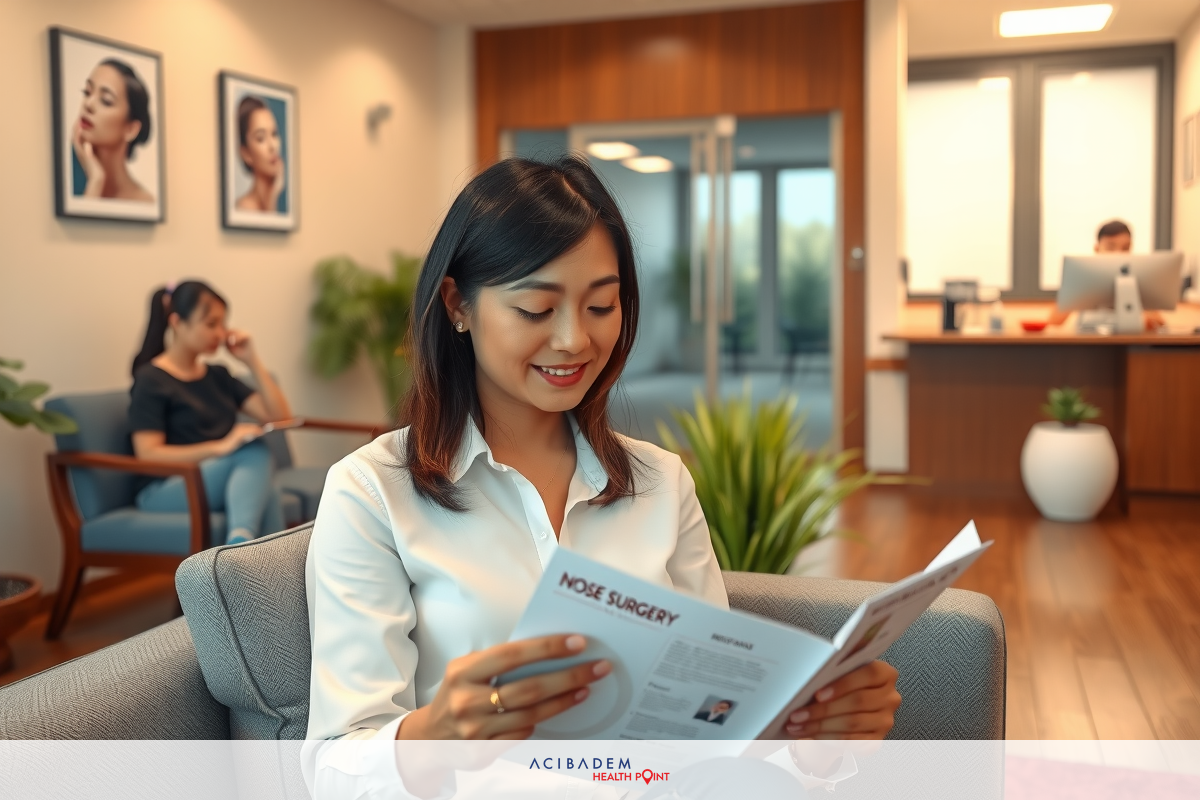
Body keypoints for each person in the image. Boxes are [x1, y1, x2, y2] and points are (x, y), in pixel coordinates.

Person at [302, 156, 901, 798]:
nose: (575, 340)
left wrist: (814, 746)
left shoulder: (661, 484)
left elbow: (719, 731)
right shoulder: (373, 492)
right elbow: (336, 768)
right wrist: (436, 735)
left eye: (602, 305)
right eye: (536, 308)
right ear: (458, 305)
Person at [129, 280, 291, 545]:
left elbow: (281, 420)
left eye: (223, 324)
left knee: (267, 487)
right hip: (166, 488)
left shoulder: (218, 375)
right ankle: (240, 548)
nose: (220, 333)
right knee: (256, 452)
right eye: (210, 324)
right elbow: (148, 453)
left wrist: (251, 360)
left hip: (209, 480)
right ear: (177, 323)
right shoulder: (150, 379)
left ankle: (250, 559)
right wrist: (220, 447)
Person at [1047, 219, 1163, 329]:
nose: (1118, 254)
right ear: (1097, 249)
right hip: (1090, 345)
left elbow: (1159, 325)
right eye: (1110, 247)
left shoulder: (1135, 282)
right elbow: (1053, 324)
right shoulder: (1083, 279)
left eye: (1125, 248)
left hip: (1126, 346)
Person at [72, 58, 154, 202]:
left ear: (131, 129)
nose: (88, 104)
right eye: (87, 92)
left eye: (106, 100)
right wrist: (96, 180)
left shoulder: (145, 202)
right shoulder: (68, 182)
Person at [234, 96, 285, 213]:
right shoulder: (244, 209)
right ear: (246, 153)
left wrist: (273, 197)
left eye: (274, 134)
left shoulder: (277, 199)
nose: (272, 146)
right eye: (261, 138)